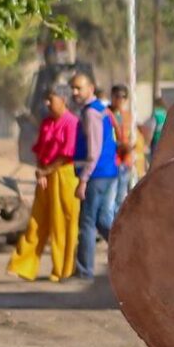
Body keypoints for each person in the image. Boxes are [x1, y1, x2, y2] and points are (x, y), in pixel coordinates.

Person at [9, 90, 82, 281]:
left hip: (65, 176)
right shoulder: (47, 123)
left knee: (63, 224)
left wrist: (46, 170)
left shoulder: (72, 123)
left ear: (63, 100)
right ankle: (23, 265)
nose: (48, 104)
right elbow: (40, 150)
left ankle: (63, 270)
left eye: (51, 99)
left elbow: (68, 154)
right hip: (45, 176)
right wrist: (40, 170)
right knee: (37, 222)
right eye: (46, 100)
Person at [70, 71, 122, 277]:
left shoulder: (91, 113)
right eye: (73, 88)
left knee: (87, 223)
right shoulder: (101, 110)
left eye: (79, 88)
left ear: (90, 88)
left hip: (96, 174)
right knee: (102, 221)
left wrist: (83, 179)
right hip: (108, 172)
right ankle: (130, 252)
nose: (75, 92)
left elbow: (94, 150)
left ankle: (84, 271)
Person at [109, 84, 139, 200]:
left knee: (121, 197)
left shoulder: (129, 116)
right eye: (117, 96)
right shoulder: (106, 114)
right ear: (112, 97)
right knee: (110, 200)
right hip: (112, 161)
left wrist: (132, 148)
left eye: (123, 97)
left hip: (125, 162)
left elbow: (135, 137)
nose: (120, 100)